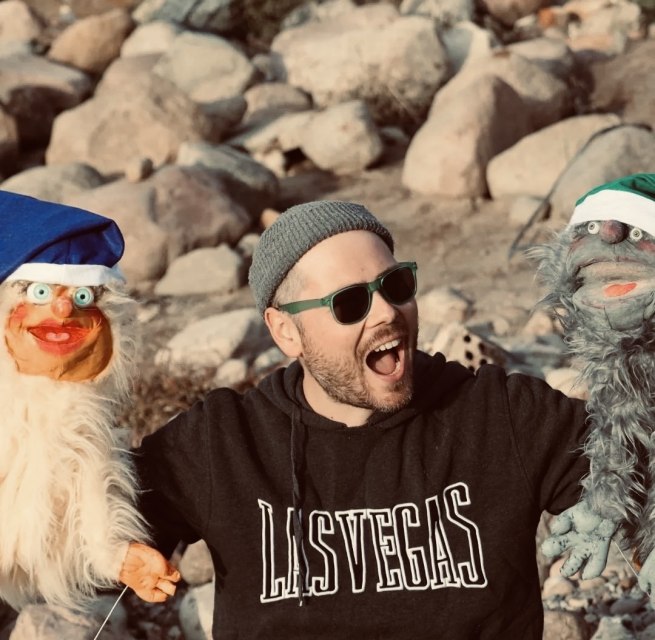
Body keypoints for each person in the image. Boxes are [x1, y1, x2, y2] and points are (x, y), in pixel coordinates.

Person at [130, 199, 591, 639]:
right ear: (286, 331)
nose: (387, 312)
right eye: (350, 303)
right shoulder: (224, 443)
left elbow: (625, 461)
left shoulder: (500, 418)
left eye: (396, 286)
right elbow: (97, 536)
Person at [0, 190, 179, 610]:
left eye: (82, 298)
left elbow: (90, 487)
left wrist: (114, 555)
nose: (63, 309)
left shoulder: (81, 415)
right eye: (40, 293)